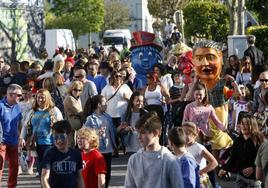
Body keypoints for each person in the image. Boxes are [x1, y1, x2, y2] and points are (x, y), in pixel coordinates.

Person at [124, 112, 184, 188]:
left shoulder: (170, 160)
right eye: (138, 132)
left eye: (143, 133)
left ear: (156, 133)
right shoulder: (134, 159)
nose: (139, 137)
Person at [20, 89, 63, 176]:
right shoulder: (33, 111)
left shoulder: (54, 111)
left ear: (47, 98)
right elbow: (25, 126)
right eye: (38, 97)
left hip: (50, 144)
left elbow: (61, 126)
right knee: (40, 168)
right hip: (35, 144)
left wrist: (61, 142)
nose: (40, 100)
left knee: (47, 168)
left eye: (42, 97)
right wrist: (22, 138)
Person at [218, 112, 264, 188]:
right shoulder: (238, 140)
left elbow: (264, 160)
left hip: (254, 180)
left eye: (246, 124)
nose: (243, 126)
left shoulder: (259, 140)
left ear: (252, 125)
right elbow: (233, 157)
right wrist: (225, 169)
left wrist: (254, 168)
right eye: (242, 124)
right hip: (240, 177)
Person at [84, 95, 116, 188]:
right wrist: (97, 133)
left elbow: (113, 132)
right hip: (97, 151)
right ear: (99, 105)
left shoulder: (108, 117)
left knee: (107, 176)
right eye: (104, 103)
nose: (106, 105)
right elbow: (85, 134)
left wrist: (121, 128)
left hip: (108, 150)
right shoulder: (90, 119)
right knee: (98, 176)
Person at [41, 120, 84, 188]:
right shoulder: (49, 154)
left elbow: (79, 178)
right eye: (56, 137)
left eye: (62, 137)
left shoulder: (76, 154)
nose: (59, 141)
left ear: (69, 136)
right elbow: (44, 177)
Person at [182, 122, 218, 188]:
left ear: (194, 135)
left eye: (187, 134)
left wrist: (200, 172)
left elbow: (214, 162)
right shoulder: (182, 146)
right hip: (188, 179)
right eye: (183, 133)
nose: (184, 136)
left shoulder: (199, 147)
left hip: (200, 180)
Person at [0, 84, 23, 188]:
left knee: (14, 166)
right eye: (18, 95)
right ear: (10, 94)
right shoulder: (0, 105)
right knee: (0, 166)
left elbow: (19, 123)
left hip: (13, 141)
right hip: (1, 142)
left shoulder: (18, 106)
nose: (20, 97)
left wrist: (21, 137)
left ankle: (12, 186)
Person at [63, 81, 84, 148]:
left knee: (73, 142)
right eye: (75, 89)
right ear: (71, 89)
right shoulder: (70, 98)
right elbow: (78, 111)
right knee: (70, 142)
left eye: (79, 90)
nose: (77, 92)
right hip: (70, 122)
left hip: (74, 123)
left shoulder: (77, 98)